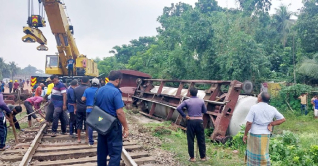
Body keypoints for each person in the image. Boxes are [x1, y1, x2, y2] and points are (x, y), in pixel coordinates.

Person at [95, 70, 129, 166]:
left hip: (101, 124)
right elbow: (120, 112)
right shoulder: (116, 92)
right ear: (118, 80)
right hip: (112, 126)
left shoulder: (99, 90)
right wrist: (126, 127)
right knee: (115, 153)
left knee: (101, 152)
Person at [243, 92, 286, 166]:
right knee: (263, 153)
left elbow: (249, 123)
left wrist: (245, 134)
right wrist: (271, 123)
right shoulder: (272, 108)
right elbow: (282, 119)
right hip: (265, 134)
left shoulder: (254, 107)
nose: (257, 96)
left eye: (258, 95)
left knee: (253, 152)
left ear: (260, 98)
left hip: (254, 134)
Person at [176, 87, 207, 162]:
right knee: (201, 139)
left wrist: (184, 115)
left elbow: (178, 108)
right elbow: (204, 111)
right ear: (197, 93)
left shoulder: (187, 101)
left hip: (191, 121)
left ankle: (192, 158)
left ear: (189, 93)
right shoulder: (201, 101)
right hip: (199, 121)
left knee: (190, 139)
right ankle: (203, 157)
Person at [82, 78, 99, 146]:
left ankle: (91, 142)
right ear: (98, 84)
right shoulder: (99, 90)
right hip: (98, 111)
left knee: (90, 126)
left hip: (89, 110)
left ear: (91, 83)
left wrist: (88, 99)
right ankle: (99, 139)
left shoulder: (87, 90)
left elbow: (83, 99)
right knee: (99, 124)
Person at [74, 76, 89, 143]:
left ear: (81, 80)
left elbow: (74, 100)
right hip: (87, 108)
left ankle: (79, 139)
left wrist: (75, 108)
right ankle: (86, 138)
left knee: (78, 122)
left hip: (79, 107)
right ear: (88, 81)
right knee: (87, 123)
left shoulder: (76, 89)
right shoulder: (89, 89)